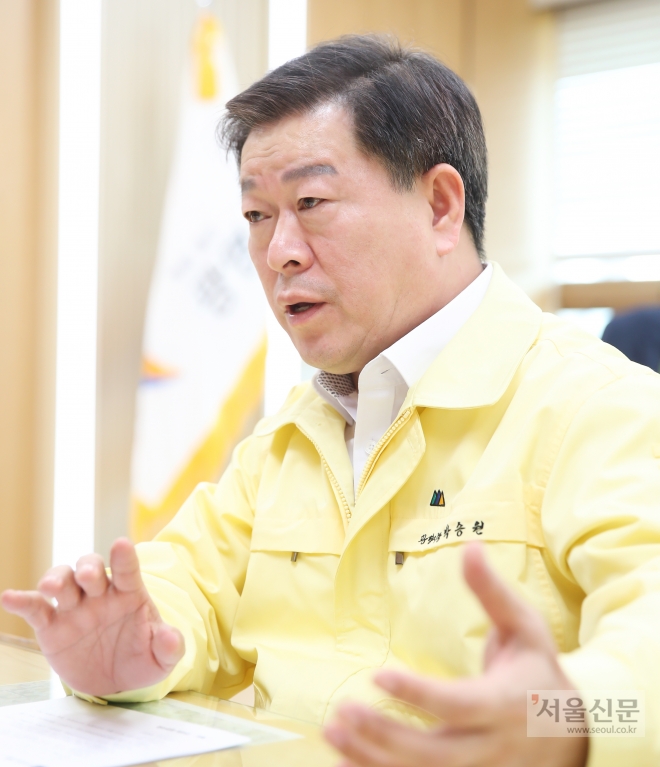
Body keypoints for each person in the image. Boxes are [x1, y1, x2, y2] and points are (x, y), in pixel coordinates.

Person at [3, 35, 660, 767]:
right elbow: (183, 586)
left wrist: (560, 716)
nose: (278, 251)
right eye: (257, 215)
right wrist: (129, 650)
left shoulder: (605, 409)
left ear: (440, 206)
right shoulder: (291, 435)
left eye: (311, 202)